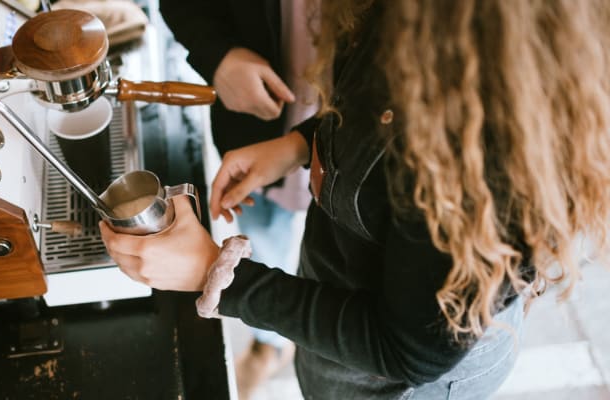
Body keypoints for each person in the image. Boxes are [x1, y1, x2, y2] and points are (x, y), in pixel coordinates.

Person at [100, 0, 610, 398]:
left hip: (395, 384)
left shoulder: (485, 161)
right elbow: (378, 101)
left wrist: (215, 273)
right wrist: (301, 144)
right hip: (344, 322)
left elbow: (407, 350)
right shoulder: (412, 32)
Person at [159, 0, 319, 397]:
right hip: (258, 130)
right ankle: (271, 344)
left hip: (367, 141)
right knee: (264, 236)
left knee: (338, 259)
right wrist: (220, 56)